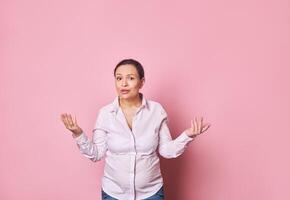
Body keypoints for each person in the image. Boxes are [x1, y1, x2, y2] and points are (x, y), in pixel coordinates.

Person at [60, 58, 211, 200]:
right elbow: (96, 154)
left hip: (151, 192)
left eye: (130, 78)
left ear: (142, 82)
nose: (123, 84)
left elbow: (167, 150)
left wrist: (188, 135)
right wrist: (78, 134)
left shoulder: (156, 111)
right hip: (114, 193)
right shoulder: (105, 114)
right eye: (119, 78)